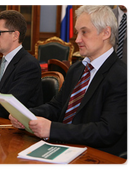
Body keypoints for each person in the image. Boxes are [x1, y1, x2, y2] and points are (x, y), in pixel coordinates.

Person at [10, 4, 128, 157]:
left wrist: (52, 129)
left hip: (96, 156)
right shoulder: (76, 69)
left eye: (84, 32)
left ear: (106, 33)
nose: (77, 39)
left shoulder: (121, 76)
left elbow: (106, 131)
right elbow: (57, 107)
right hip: (61, 147)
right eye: (77, 32)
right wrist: (26, 116)